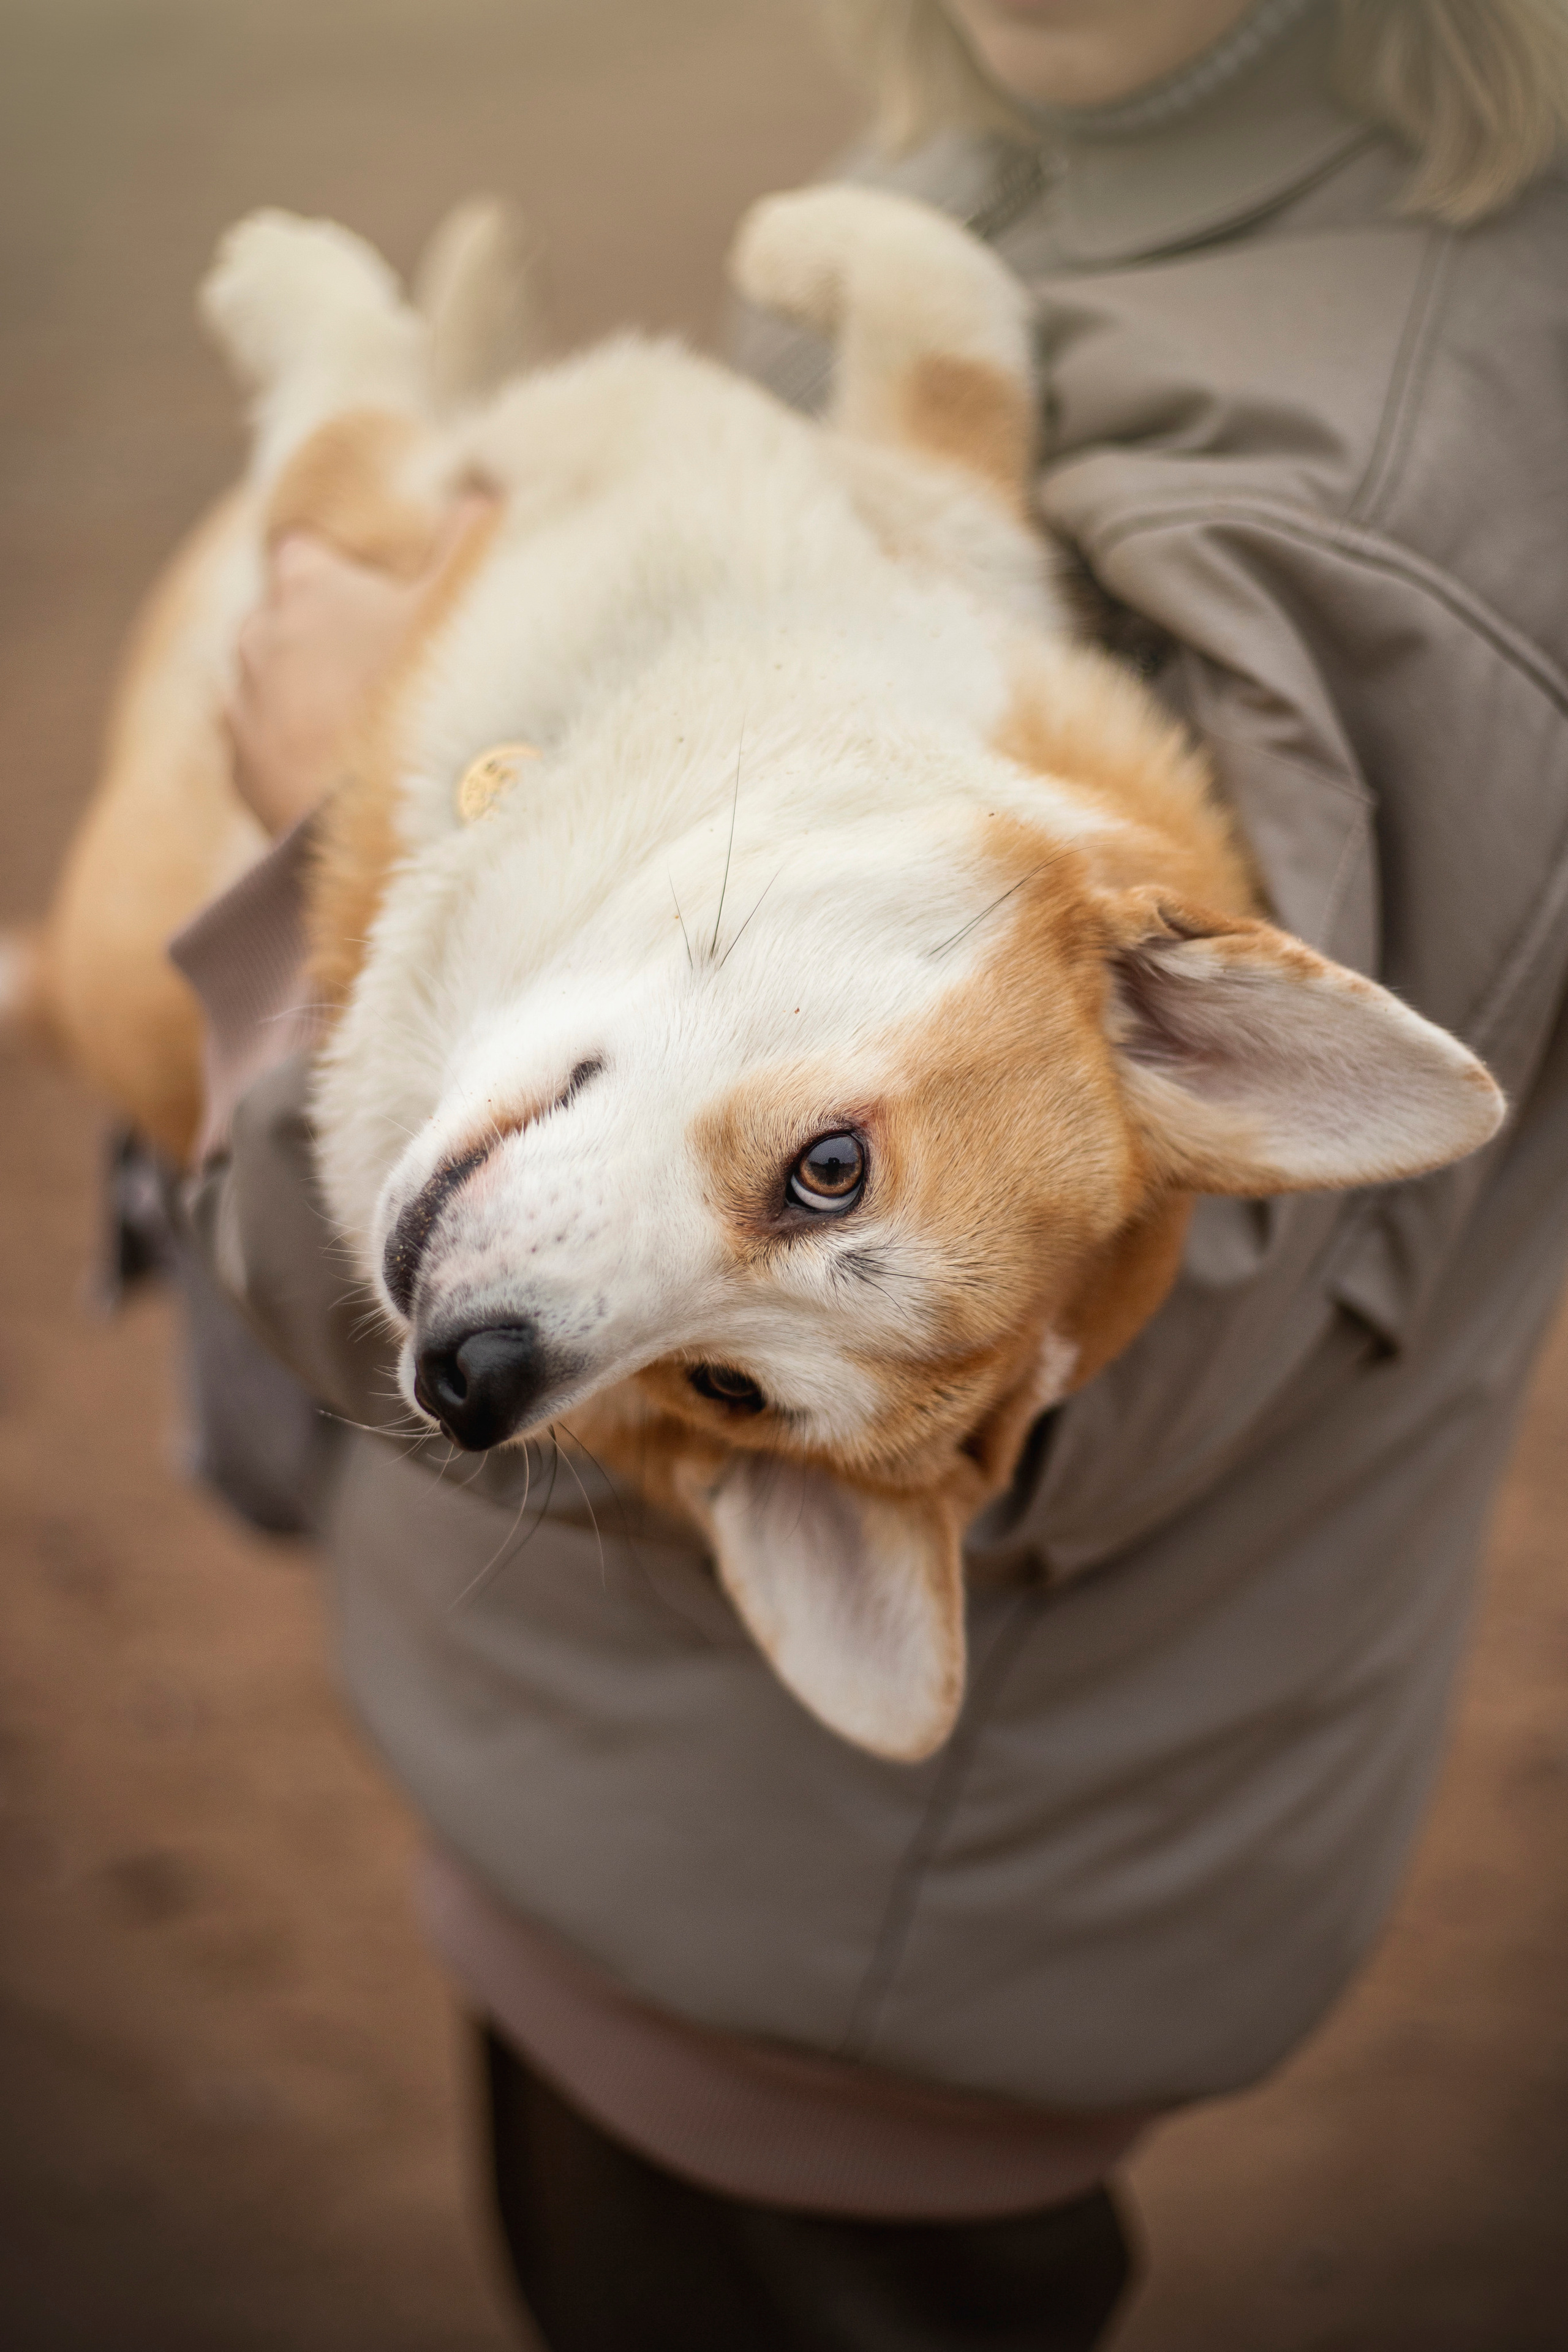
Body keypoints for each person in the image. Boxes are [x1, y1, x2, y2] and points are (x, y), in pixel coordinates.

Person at [173, 2, 1568, 2344]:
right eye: (812, 1180)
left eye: (817, 1177)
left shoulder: (1375, 495)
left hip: (860, 1985)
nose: (513, 1356)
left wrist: (329, 823)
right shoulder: (1056, 133)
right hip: (682, 1865)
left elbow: (1109, 1393)